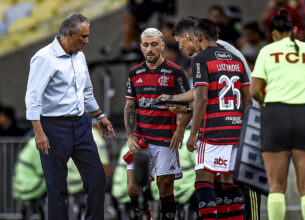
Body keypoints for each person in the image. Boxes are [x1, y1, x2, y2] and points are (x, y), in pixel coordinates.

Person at [160, 16, 260, 220]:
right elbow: (243, 98)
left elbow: (202, 98)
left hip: (214, 129)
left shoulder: (202, 58)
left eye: (180, 43)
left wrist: (193, 133)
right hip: (238, 126)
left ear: (193, 37)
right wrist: (175, 99)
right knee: (228, 183)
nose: (180, 48)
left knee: (203, 179)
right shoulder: (233, 58)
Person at [25, 13, 116, 220]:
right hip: (54, 127)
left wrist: (100, 115)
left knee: (97, 178)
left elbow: (86, 93)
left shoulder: (80, 56)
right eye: (83, 36)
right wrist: (39, 133)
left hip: (82, 124)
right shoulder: (44, 57)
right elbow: (32, 99)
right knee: (57, 187)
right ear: (70, 33)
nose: (87, 41)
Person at [249, 9, 305, 220]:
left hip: (275, 115)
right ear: (294, 30)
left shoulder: (267, 51)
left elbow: (253, 90)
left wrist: (263, 101)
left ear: (273, 33)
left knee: (276, 185)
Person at [124, 27, 191, 220]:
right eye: (146, 45)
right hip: (141, 140)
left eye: (154, 44)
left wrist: (180, 129)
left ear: (162, 45)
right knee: (132, 189)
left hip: (165, 141)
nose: (150, 49)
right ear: (141, 48)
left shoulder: (175, 71)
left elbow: (188, 105)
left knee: (164, 188)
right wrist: (130, 135)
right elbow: (130, 106)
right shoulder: (134, 73)